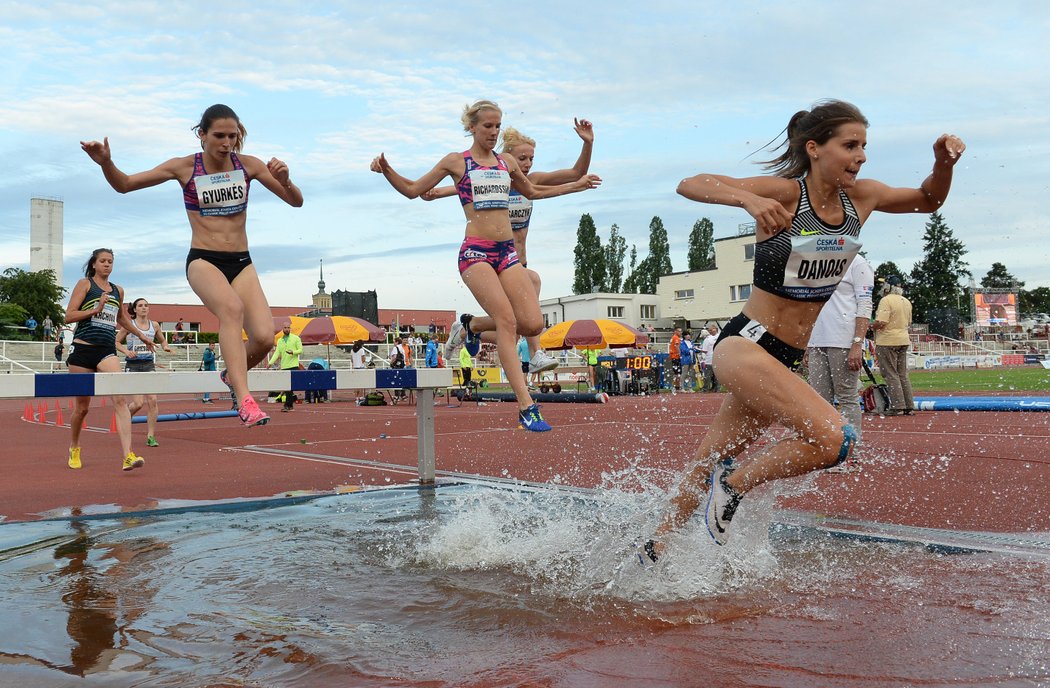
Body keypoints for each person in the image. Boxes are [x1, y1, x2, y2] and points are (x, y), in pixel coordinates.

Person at [644, 100, 964, 559]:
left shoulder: (864, 198)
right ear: (815, 149)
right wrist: (749, 198)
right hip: (746, 343)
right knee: (837, 439)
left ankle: (652, 552)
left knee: (706, 461)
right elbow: (691, 183)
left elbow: (929, 200)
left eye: (864, 146)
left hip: (787, 357)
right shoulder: (786, 194)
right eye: (850, 145)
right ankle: (734, 486)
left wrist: (942, 164)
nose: (862, 156)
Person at [371, 100, 600, 432]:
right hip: (476, 253)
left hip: (507, 252)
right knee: (507, 322)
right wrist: (387, 169)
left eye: (497, 126)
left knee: (532, 324)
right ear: (472, 128)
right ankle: (527, 406)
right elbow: (411, 190)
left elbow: (533, 190)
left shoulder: (506, 162)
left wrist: (575, 187)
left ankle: (472, 326)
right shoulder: (456, 161)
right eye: (487, 126)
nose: (493, 132)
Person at [81, 103, 303, 427]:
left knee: (266, 337)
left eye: (233, 135)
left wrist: (287, 180)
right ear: (202, 134)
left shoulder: (249, 166)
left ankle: (231, 375)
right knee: (230, 310)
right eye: (219, 136)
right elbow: (124, 184)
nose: (227, 143)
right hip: (203, 259)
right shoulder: (185, 167)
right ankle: (244, 399)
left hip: (241, 261)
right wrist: (106, 163)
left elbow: (296, 201)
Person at [424, 119, 595, 377]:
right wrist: (435, 192)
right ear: (508, 158)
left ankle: (471, 327)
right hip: (495, 261)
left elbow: (575, 173)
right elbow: (461, 184)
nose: (527, 164)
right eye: (523, 158)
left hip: (516, 262)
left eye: (531, 159)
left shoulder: (533, 181)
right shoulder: (495, 177)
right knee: (533, 286)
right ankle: (535, 353)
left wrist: (587, 144)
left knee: (515, 328)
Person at [63, 249, 156, 471]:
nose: (107, 265)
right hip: (83, 350)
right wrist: (96, 309)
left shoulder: (117, 290)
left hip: (106, 351)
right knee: (82, 408)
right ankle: (74, 446)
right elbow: (69, 315)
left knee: (120, 400)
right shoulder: (85, 285)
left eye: (110, 262)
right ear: (94, 264)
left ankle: (128, 456)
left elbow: (122, 318)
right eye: (103, 261)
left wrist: (142, 335)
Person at [806, 254, 874, 468]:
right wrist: (805, 343)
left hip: (843, 340)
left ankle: (851, 453)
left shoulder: (857, 262)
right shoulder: (814, 261)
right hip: (817, 340)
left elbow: (865, 304)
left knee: (847, 397)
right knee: (819, 400)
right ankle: (827, 451)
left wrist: (857, 343)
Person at [116, 298, 172, 447]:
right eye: (140, 306)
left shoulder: (154, 325)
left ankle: (151, 436)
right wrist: (126, 351)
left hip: (148, 364)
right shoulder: (129, 325)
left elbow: (162, 341)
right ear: (134, 309)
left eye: (146, 305)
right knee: (138, 403)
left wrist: (165, 346)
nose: (144, 308)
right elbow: (115, 342)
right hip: (133, 365)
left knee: (153, 400)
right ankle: (124, 417)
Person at [872, 275, 915, 416]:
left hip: (887, 341)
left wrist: (870, 326)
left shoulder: (886, 301)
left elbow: (882, 322)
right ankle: (909, 405)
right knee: (902, 373)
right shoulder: (906, 301)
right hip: (903, 339)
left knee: (890, 374)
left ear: (888, 286)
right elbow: (908, 322)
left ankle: (898, 406)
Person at [268, 323, 303, 412]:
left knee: (289, 388)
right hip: (284, 366)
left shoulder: (296, 338)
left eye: (288, 327)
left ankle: (287, 405)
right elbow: (277, 353)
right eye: (285, 327)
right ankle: (289, 406)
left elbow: (300, 350)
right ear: (282, 329)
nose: (287, 329)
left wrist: (293, 352)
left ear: (290, 328)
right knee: (287, 387)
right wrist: (270, 363)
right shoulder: (280, 340)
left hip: (294, 366)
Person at [699, 323, 720, 392]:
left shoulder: (707, 339)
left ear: (716, 329)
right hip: (718, 359)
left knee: (708, 375)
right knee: (715, 376)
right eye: (709, 330)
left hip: (710, 359)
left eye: (711, 329)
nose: (710, 331)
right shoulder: (721, 337)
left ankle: (706, 388)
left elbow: (705, 350)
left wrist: (699, 350)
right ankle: (716, 388)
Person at [667, 327, 682, 392]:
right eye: (679, 331)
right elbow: (676, 346)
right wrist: (679, 353)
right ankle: (676, 387)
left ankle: (675, 386)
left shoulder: (673, 337)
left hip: (673, 356)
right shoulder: (676, 338)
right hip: (675, 356)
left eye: (681, 331)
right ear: (675, 331)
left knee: (676, 372)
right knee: (678, 373)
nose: (680, 333)